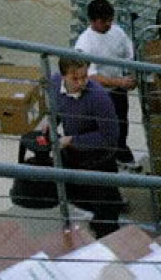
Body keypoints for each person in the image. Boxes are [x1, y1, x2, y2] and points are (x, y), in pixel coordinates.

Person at [48, 56, 124, 237]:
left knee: (106, 211)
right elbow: (58, 107)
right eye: (76, 78)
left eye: (85, 77)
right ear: (63, 76)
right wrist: (52, 122)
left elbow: (110, 137)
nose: (82, 83)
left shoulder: (99, 97)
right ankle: (110, 205)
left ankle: (108, 237)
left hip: (100, 159)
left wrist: (72, 140)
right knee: (80, 194)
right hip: (75, 155)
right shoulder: (54, 83)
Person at [73, 0, 138, 166]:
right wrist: (120, 82)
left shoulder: (117, 32)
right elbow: (91, 76)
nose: (109, 24)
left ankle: (120, 151)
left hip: (118, 91)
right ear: (94, 21)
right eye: (105, 21)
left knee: (122, 123)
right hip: (98, 95)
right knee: (103, 128)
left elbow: (129, 55)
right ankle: (106, 159)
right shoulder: (85, 44)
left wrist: (131, 76)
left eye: (110, 20)